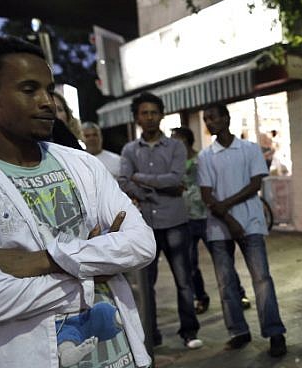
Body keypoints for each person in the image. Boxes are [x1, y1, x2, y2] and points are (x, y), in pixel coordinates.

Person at [0, 35, 156, 368]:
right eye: (30, 90)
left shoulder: (83, 164)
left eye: (49, 89)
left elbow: (142, 244)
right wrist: (98, 266)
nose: (47, 101)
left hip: (122, 355)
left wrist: (46, 260)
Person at [197, 103, 287, 357]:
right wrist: (228, 217)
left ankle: (274, 332)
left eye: (214, 117)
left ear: (227, 118)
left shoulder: (249, 149)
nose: (210, 122)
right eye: (207, 119)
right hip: (218, 227)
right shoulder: (206, 156)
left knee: (262, 279)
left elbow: (255, 184)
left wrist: (225, 207)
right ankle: (238, 331)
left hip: (250, 222)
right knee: (226, 283)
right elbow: (206, 193)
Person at [118, 92, 203, 349]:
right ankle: (151, 335)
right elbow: (123, 181)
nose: (150, 117)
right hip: (145, 225)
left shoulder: (176, 147)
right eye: (144, 113)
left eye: (154, 112)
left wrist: (140, 180)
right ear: (137, 117)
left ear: (161, 115)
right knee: (146, 285)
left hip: (176, 221)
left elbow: (176, 179)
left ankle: (189, 332)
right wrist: (153, 190)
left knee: (183, 280)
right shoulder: (129, 149)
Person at [170, 126, 252, 315]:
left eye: (179, 140)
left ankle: (239, 294)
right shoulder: (174, 165)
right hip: (186, 217)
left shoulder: (202, 158)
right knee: (190, 264)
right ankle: (201, 297)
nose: (175, 145)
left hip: (207, 216)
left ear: (188, 140)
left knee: (222, 260)